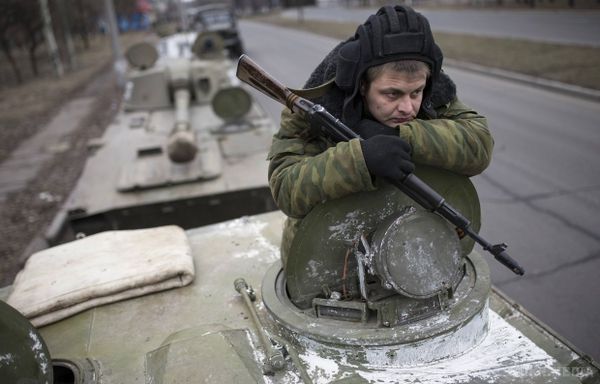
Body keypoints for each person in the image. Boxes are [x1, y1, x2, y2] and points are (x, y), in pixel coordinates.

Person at [268, 5, 494, 268]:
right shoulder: (310, 108)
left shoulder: (435, 93)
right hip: (328, 260)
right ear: (362, 85)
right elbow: (286, 188)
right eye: (392, 94)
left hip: (414, 250)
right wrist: (359, 160)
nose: (408, 108)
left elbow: (479, 143)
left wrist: (401, 135)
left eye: (416, 92)